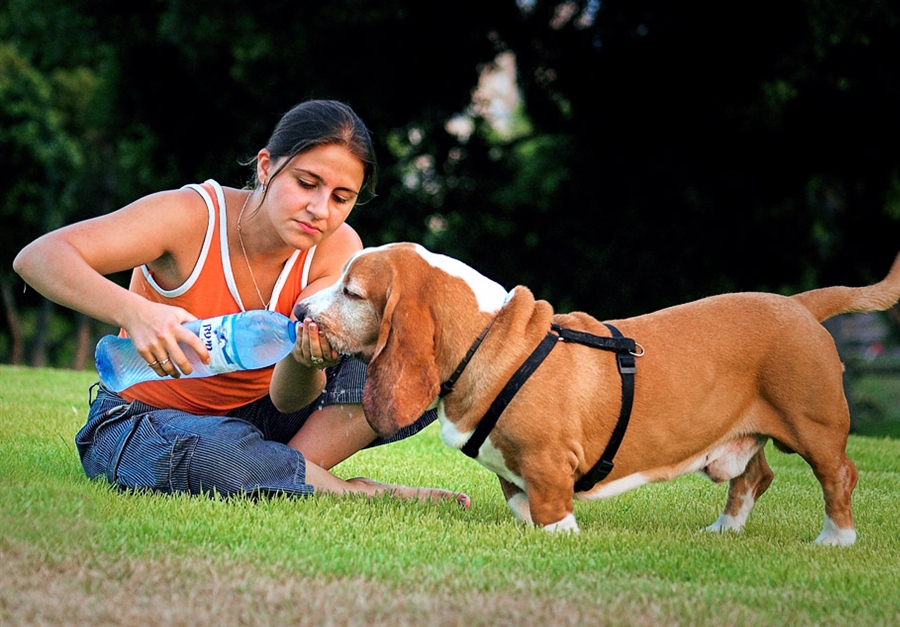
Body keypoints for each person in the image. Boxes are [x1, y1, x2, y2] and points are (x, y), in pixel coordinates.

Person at [13, 99, 469, 506]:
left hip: (263, 417)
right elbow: (38, 258)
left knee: (411, 358)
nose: (320, 209)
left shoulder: (338, 248)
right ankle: (329, 487)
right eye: (307, 182)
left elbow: (288, 400)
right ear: (267, 167)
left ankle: (282, 473)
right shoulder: (190, 217)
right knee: (218, 452)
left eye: (341, 197)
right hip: (141, 420)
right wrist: (135, 311)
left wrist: (307, 360)